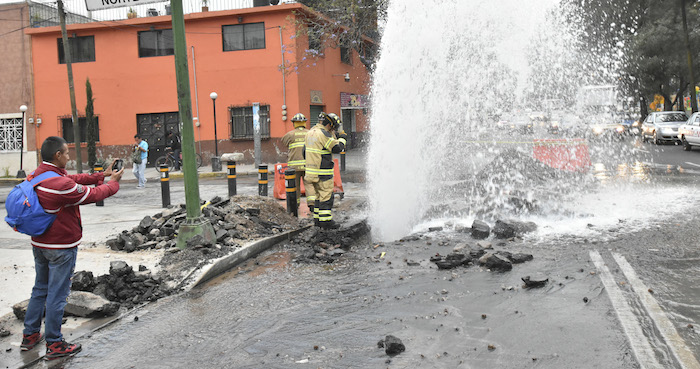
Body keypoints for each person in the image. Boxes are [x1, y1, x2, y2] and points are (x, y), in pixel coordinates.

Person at [21, 136, 124, 360]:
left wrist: (100, 175)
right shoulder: (60, 185)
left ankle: (29, 336)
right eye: (66, 153)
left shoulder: (38, 174)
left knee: (40, 288)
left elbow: (73, 178)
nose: (69, 157)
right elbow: (92, 194)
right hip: (60, 247)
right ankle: (55, 344)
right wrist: (113, 183)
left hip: (39, 242)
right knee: (57, 295)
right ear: (57, 155)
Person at [304, 112, 347, 229]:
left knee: (318, 197)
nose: (333, 131)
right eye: (333, 128)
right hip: (323, 171)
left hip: (311, 172)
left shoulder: (310, 132)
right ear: (330, 125)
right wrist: (343, 139)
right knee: (327, 197)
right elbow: (337, 148)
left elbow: (304, 151)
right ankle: (326, 222)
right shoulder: (323, 134)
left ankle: (317, 220)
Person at [281, 113, 309, 211]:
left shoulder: (290, 134)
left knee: (295, 187)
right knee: (309, 186)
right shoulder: (310, 133)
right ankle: (312, 204)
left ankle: (295, 205)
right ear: (304, 122)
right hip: (308, 166)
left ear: (294, 123)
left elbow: (283, 142)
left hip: (294, 167)